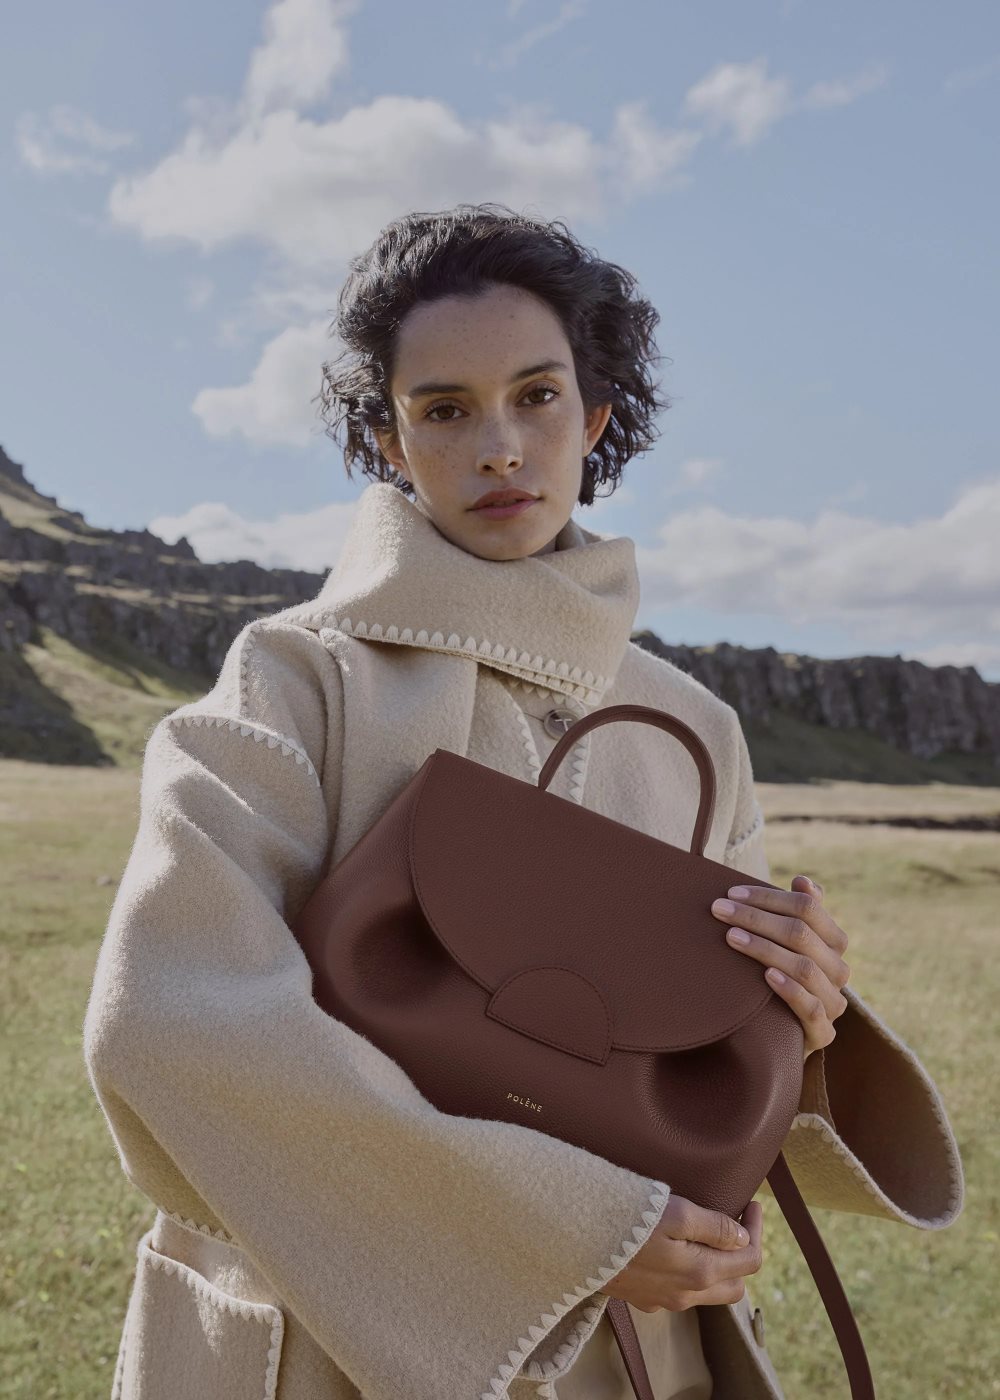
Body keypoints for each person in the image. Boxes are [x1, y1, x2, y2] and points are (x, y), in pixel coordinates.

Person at [83, 202, 964, 1400]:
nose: (498, 443)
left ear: (594, 417)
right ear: (390, 440)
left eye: (536, 395)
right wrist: (557, 1233)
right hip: (328, 1351)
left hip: (638, 1357)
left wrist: (801, 1015)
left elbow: (701, 1068)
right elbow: (175, 1020)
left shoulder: (696, 726)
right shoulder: (294, 680)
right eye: (444, 408)